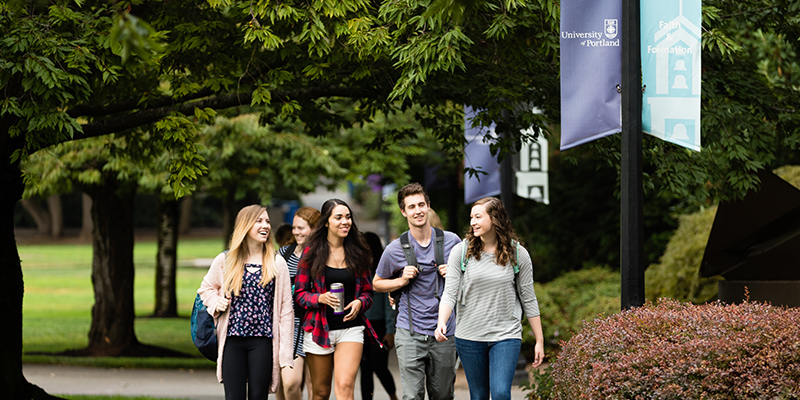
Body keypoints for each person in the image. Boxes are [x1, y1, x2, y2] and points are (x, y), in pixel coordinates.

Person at [434, 196, 545, 400]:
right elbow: (450, 292)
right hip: (469, 336)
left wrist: (539, 339)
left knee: (502, 392)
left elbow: (528, 298)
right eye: (471, 217)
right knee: (478, 396)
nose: (473, 222)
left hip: (505, 334)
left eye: (478, 216)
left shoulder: (518, 254)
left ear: (495, 219)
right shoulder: (461, 252)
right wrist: (442, 321)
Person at [373, 183, 461, 400]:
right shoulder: (394, 249)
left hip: (444, 332)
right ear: (404, 212)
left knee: (443, 395)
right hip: (409, 331)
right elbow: (377, 283)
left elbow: (470, 281)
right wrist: (401, 281)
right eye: (411, 207)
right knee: (412, 396)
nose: (418, 210)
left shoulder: (452, 242)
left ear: (428, 206)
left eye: (421, 205)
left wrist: (453, 273)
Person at [198, 204, 295, 400]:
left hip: (263, 341)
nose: (265, 225)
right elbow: (206, 289)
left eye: (267, 221)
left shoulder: (277, 263)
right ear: (245, 225)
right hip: (232, 341)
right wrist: (217, 302)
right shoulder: (226, 260)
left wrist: (285, 353)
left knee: (258, 396)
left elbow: (285, 310)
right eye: (259, 221)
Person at [293, 198, 380, 400]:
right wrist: (320, 298)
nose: (345, 222)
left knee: (345, 386)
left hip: (351, 328)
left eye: (348, 217)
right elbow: (299, 294)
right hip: (319, 328)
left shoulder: (359, 252)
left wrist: (360, 302)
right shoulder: (311, 253)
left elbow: (368, 292)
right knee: (321, 392)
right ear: (326, 222)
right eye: (338, 217)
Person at [277, 206, 321, 400]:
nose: (296, 232)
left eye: (301, 228)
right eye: (294, 227)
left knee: (316, 387)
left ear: (315, 228)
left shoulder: (323, 255)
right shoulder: (283, 255)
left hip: (315, 324)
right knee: (290, 383)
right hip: (289, 325)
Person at [360, 232, 398, 400]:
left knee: (379, 366)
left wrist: (390, 330)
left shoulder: (382, 269)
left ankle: (393, 395)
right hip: (360, 325)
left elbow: (389, 305)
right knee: (365, 367)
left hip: (379, 325)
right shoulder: (358, 269)